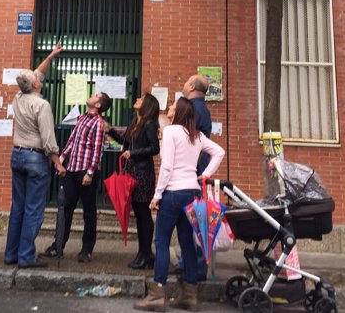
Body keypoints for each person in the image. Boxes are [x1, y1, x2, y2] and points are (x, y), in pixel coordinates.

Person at [134, 97, 225, 312]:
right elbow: (219, 152)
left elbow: (166, 167)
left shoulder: (171, 132)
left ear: (180, 111)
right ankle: (190, 295)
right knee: (187, 243)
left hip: (173, 193)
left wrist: (156, 196)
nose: (170, 107)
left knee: (162, 241)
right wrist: (205, 175)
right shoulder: (196, 135)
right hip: (192, 192)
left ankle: (157, 294)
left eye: (173, 105)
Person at [4, 42, 66, 269]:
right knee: (33, 210)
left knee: (18, 207)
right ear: (37, 85)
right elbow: (49, 140)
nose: (40, 78)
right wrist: (58, 163)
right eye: (38, 78)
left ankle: (11, 253)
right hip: (35, 159)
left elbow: (36, 73)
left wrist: (51, 55)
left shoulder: (19, 98)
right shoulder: (42, 105)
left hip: (17, 155)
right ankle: (26, 256)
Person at [41, 91, 112, 263]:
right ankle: (58, 246)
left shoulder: (98, 123)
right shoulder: (81, 119)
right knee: (65, 209)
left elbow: (97, 150)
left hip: (86, 172)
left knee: (89, 212)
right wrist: (61, 160)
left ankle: (86, 250)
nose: (92, 95)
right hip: (72, 170)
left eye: (95, 95)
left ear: (98, 105)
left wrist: (90, 172)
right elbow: (72, 141)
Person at [107, 92, 160, 270]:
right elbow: (127, 143)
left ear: (147, 105)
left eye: (141, 98)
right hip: (133, 172)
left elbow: (154, 148)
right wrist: (110, 131)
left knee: (144, 214)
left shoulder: (150, 123)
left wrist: (134, 154)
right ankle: (145, 254)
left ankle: (145, 254)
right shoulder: (136, 122)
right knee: (138, 215)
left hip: (143, 174)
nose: (137, 99)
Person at [172, 74, 214, 280]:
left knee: (193, 222)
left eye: (186, 80)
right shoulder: (202, 109)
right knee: (192, 221)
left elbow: (187, 142)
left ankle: (195, 268)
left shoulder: (193, 109)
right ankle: (190, 265)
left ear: (190, 85)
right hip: (198, 171)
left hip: (194, 173)